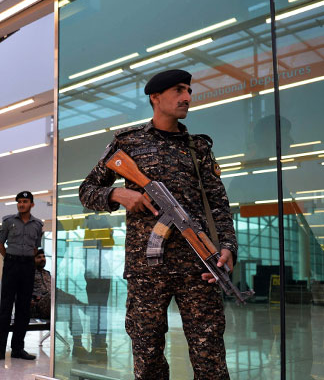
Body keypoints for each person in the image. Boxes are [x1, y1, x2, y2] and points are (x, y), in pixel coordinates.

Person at [79, 69, 238, 379]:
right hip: (146, 269)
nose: (187, 97)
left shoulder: (199, 148)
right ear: (155, 97)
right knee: (148, 357)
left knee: (211, 362)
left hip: (199, 267)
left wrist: (228, 247)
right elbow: (86, 190)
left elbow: (218, 203)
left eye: (189, 91)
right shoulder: (128, 142)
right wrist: (117, 194)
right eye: (179, 90)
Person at [0, 191, 44, 362]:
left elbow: (36, 248)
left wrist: (26, 259)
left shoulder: (38, 225)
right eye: (19, 202)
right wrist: (10, 258)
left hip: (27, 266)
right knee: (5, 308)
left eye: (25, 201)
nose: (21, 204)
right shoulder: (8, 221)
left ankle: (18, 348)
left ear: (32, 204)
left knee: (23, 309)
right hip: (11, 265)